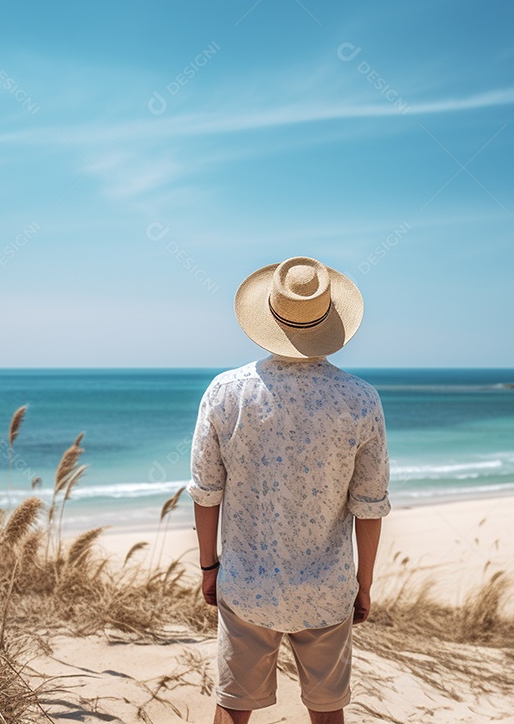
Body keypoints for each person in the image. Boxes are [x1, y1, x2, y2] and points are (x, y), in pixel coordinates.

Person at [187, 256, 391, 724]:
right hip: (327, 589)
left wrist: (209, 567)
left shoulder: (227, 391)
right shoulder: (360, 399)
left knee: (233, 707)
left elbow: (206, 492)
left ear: (269, 315)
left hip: (247, 586)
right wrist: (363, 585)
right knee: (328, 711)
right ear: (330, 320)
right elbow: (369, 506)